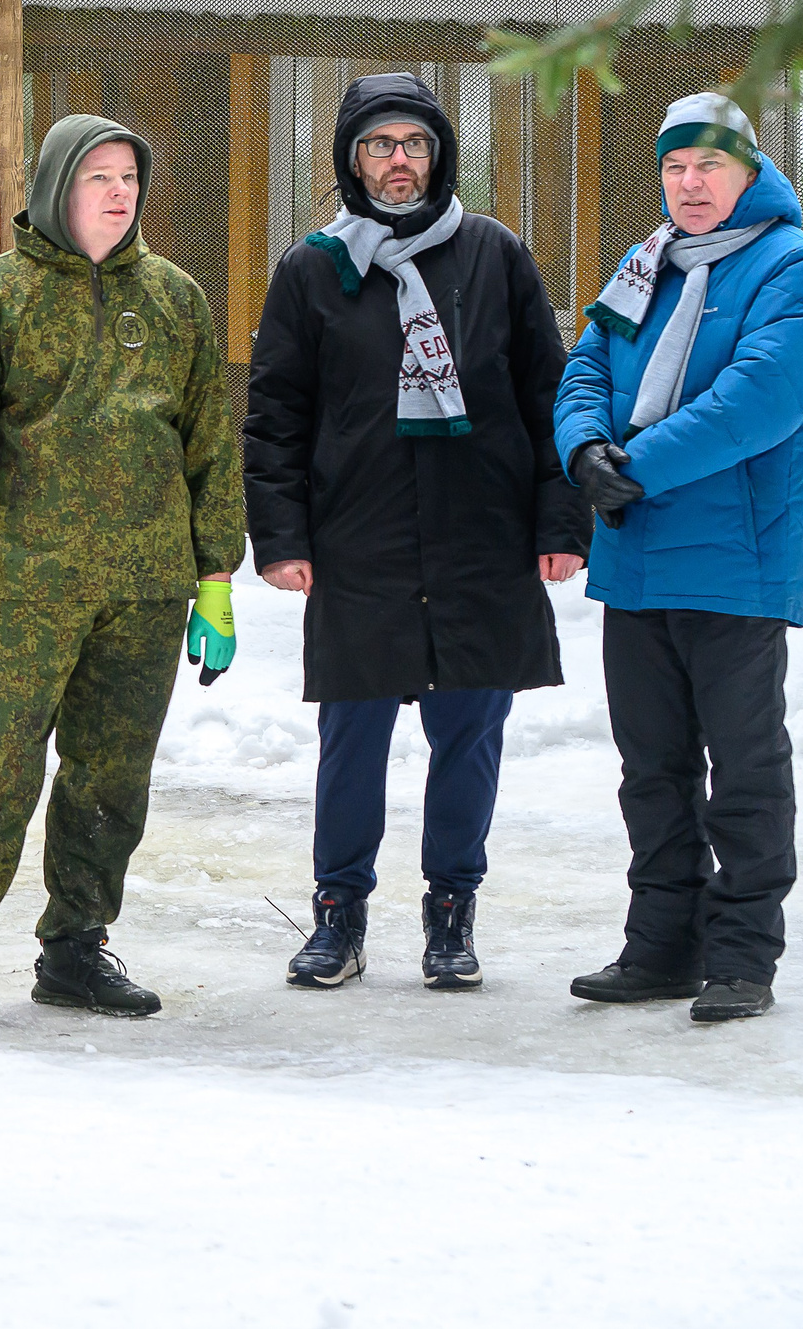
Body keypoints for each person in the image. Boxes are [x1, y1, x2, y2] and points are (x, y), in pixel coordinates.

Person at [0, 115, 241, 1024]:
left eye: (129, 177)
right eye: (100, 178)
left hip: (147, 591)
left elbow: (209, 447)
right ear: (56, 188)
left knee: (109, 778)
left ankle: (77, 948)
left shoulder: (174, 298)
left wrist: (215, 579)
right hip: (26, 588)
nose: (120, 194)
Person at [242, 72, 589, 993]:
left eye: (415, 144)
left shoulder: (495, 255)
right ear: (351, 162)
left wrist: (562, 521)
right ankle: (338, 912)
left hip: (483, 540)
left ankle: (451, 912)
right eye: (379, 145)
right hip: (361, 542)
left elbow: (548, 395)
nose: (399, 162)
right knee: (351, 739)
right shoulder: (313, 268)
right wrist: (281, 536)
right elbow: (275, 412)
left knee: (469, 735)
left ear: (439, 155)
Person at [554, 93, 803, 1025]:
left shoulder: (794, 267)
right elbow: (588, 366)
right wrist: (584, 447)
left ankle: (742, 957)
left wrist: (633, 467)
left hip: (737, 558)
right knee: (652, 765)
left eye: (709, 167)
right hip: (638, 555)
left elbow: (763, 400)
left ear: (749, 173)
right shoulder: (648, 261)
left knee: (745, 766)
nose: (690, 184)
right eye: (676, 168)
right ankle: (659, 948)